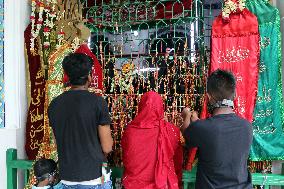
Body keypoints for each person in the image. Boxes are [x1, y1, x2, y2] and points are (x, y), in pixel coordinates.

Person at [48, 53, 113, 189]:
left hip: (66, 177)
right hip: (93, 177)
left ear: (68, 77)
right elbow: (107, 147)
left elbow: (56, 141)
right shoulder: (97, 102)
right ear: (89, 76)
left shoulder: (54, 104)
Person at [181, 69, 253, 189]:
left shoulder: (202, 128)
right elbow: (219, 133)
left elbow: (186, 133)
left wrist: (187, 115)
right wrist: (198, 123)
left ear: (208, 97)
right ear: (234, 94)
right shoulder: (247, 126)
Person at [122, 91, 183, 189]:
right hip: (163, 185)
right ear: (160, 107)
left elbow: (126, 159)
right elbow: (177, 162)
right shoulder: (171, 130)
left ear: (141, 106)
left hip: (133, 185)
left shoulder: (130, 131)